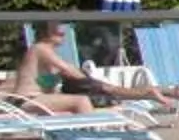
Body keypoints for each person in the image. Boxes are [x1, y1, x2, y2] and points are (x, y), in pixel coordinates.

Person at [14, 24, 161, 110]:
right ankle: (90, 138)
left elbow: (43, 81)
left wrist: (59, 80)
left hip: (37, 97)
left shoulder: (43, 52)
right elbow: (66, 68)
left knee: (84, 98)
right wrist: (91, 81)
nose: (63, 37)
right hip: (28, 99)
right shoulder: (40, 48)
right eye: (59, 34)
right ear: (47, 34)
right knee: (81, 101)